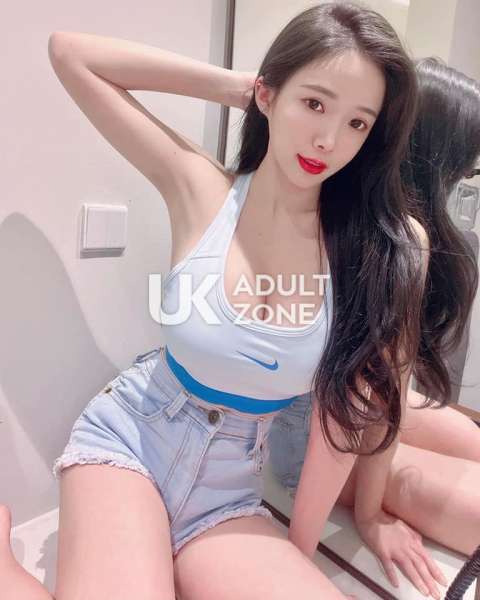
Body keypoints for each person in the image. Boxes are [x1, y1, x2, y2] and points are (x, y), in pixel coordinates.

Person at [0, 3, 430, 599]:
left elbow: (341, 426)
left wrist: (298, 556)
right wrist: (243, 89)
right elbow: (71, 54)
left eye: (358, 123)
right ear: (271, 94)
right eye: (314, 103)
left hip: (229, 491)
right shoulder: (202, 189)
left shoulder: (371, 253)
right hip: (132, 442)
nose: (328, 140)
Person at [268, 56, 480, 599]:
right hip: (308, 433)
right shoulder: (372, 237)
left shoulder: (408, 234)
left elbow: (391, 380)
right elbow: (352, 405)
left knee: (472, 442)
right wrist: (368, 514)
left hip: (365, 408)